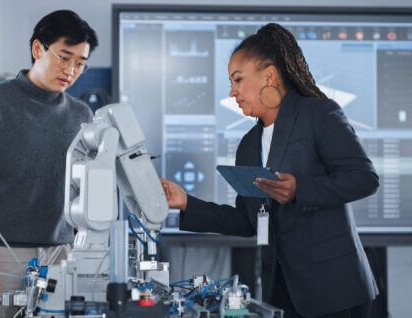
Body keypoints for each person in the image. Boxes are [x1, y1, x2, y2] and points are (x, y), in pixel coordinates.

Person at [161, 23, 379, 318]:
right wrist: (186, 203)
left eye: (238, 80)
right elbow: (246, 221)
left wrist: (300, 190)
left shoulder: (319, 115)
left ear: (269, 74)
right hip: (281, 293)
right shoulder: (249, 145)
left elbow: (364, 179)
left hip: (335, 290)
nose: (232, 91)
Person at [0, 10, 98, 317]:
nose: (71, 70)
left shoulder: (82, 115)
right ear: (38, 48)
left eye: (80, 63)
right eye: (64, 57)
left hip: (61, 255)